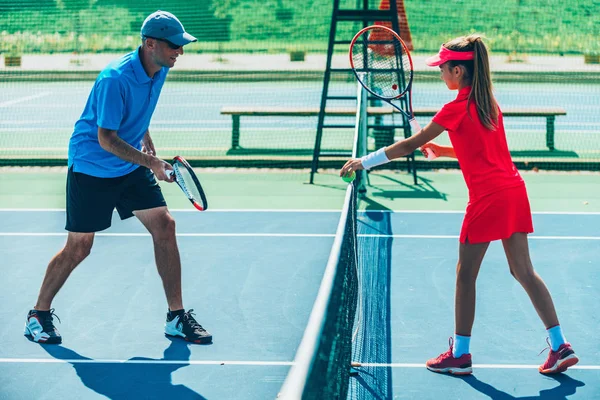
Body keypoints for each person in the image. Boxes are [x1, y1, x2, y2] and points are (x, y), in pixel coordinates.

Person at [340, 34, 578, 375]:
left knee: (465, 276)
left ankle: (461, 355)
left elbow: (410, 144)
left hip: (487, 199)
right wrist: (443, 151)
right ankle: (560, 345)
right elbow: (483, 152)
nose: (440, 74)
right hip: (514, 190)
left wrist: (364, 161)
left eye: (442, 69)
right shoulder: (487, 103)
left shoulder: (455, 108)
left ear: (458, 71)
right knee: (523, 271)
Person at [24, 10, 212, 345]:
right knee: (79, 247)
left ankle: (176, 316)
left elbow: (138, 111)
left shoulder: (159, 68)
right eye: (174, 45)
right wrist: (151, 162)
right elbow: (106, 139)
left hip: (128, 166)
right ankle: (38, 315)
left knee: (165, 226)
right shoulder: (115, 78)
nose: (180, 51)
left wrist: (147, 140)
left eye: (181, 46)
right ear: (150, 43)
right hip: (92, 167)